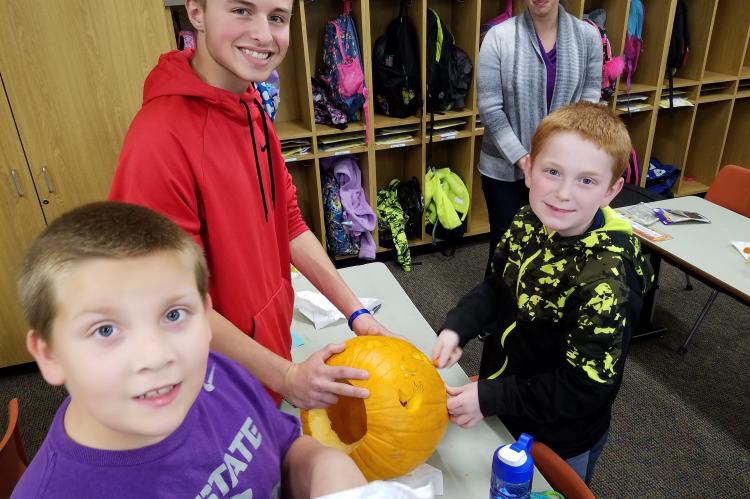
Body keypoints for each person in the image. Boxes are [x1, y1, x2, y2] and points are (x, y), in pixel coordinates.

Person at [109, 0, 388, 409]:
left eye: (277, 17)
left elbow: (288, 221)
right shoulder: (157, 142)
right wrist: (288, 376)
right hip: (207, 389)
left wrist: (356, 313)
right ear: (196, 12)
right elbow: (171, 305)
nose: (263, 34)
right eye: (241, 10)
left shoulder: (251, 103)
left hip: (264, 361)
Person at [12, 201, 367, 498]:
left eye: (173, 314)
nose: (156, 356)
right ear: (50, 355)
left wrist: (324, 466)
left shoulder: (221, 375)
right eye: (105, 329)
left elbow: (283, 446)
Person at [431, 102, 654, 484]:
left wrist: (490, 398)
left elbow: (581, 388)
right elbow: (495, 287)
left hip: (559, 435)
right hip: (504, 405)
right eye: (553, 172)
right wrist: (458, 327)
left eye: (586, 181)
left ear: (611, 190)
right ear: (529, 169)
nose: (563, 194)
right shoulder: (528, 219)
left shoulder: (607, 280)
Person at [477, 0, 602, 275]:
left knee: (555, 251)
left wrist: (558, 164)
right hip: (504, 171)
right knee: (507, 250)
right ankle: (498, 313)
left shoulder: (588, 38)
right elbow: (490, 109)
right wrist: (524, 160)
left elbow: (590, 103)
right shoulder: (499, 38)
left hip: (563, 172)